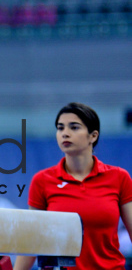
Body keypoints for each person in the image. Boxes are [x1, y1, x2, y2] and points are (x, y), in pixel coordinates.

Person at [14, 103, 132, 270]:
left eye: (74, 127)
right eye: (60, 128)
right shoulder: (42, 181)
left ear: (93, 136)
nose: (65, 133)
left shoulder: (119, 178)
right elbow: (33, 241)